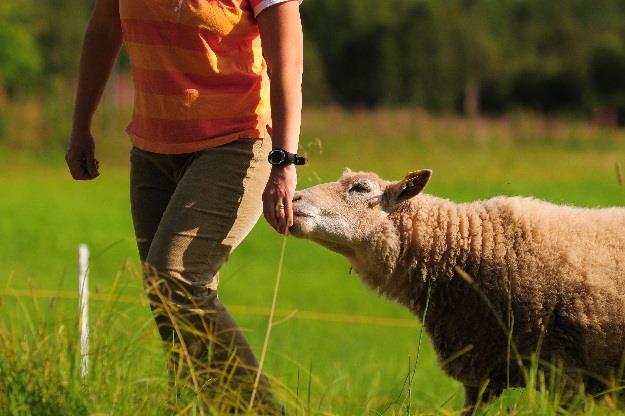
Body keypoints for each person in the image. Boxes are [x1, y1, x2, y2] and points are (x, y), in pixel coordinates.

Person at [65, 0, 304, 412]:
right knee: (170, 307)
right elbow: (105, 28)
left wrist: (284, 161)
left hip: (237, 142)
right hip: (153, 149)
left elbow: (288, 59)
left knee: (173, 277)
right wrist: (80, 125)